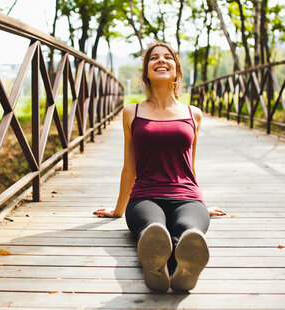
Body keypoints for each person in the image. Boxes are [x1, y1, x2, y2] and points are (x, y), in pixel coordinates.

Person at [93, 42, 226, 292]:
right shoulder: (131, 112)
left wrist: (202, 205)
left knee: (189, 232)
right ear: (146, 72)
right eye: (154, 58)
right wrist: (117, 210)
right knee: (153, 230)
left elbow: (190, 166)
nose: (161, 61)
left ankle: (183, 269)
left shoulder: (193, 114)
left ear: (176, 71)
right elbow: (129, 168)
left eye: (168, 57)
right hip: (145, 197)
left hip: (187, 197)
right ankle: (156, 263)